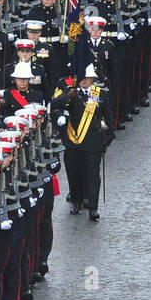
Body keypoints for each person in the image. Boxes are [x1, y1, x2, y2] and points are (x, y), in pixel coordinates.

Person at [51, 65, 113, 221]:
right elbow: (54, 104)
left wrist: (105, 141)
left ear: (93, 79)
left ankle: (93, 207)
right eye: (82, 78)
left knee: (92, 176)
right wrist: (68, 96)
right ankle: (76, 202)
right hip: (73, 143)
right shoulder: (71, 92)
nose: (84, 80)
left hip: (93, 143)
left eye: (87, 78)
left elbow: (110, 121)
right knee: (74, 174)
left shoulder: (102, 94)